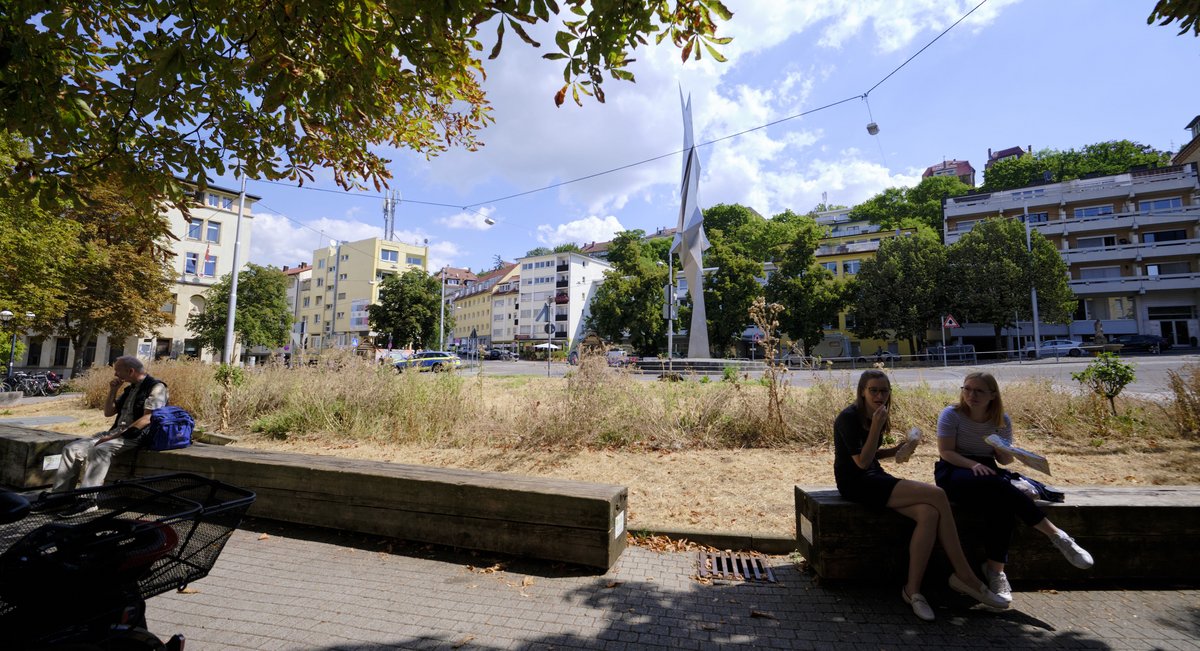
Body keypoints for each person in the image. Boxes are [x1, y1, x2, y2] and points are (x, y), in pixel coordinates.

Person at [834, 370, 1008, 621]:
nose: (880, 395)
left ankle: (912, 590)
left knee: (929, 513)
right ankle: (965, 576)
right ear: (862, 391)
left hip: (875, 477)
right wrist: (877, 427)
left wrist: (898, 449)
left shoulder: (877, 414)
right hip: (856, 483)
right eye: (873, 390)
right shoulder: (848, 417)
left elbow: (871, 455)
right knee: (937, 495)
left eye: (884, 391)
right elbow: (861, 462)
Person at [935, 371, 1093, 606]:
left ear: (992, 395)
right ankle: (1056, 535)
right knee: (1002, 488)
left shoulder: (1001, 420)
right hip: (955, 470)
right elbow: (946, 452)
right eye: (967, 389)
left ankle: (995, 571)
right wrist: (973, 465)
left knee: (1003, 503)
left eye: (979, 391)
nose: (971, 395)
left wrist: (1002, 450)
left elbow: (1004, 461)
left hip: (987, 472)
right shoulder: (952, 414)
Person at [50, 356, 168, 516]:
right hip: (116, 433)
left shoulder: (156, 387)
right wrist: (113, 390)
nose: (115, 374)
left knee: (100, 450)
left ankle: (87, 501)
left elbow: (147, 418)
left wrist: (113, 437)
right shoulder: (130, 389)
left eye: (117, 371)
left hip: (136, 436)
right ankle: (60, 497)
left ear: (130, 371)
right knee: (71, 449)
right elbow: (108, 412)